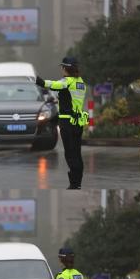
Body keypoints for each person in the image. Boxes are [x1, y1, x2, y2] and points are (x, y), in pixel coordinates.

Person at [36, 57, 89, 190]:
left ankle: (74, 184)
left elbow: (51, 84)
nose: (61, 69)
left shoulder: (67, 81)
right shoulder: (80, 82)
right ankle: (78, 182)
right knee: (77, 153)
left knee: (70, 153)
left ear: (66, 68)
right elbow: (69, 97)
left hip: (67, 122)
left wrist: (37, 80)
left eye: (62, 67)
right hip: (78, 123)